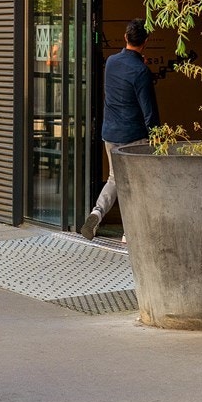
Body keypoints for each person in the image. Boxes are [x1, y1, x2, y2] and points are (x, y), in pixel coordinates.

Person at [82, 19, 160, 240]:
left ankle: (97, 212)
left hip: (110, 133)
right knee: (138, 184)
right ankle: (130, 232)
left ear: (126, 37)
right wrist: (156, 136)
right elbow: (149, 110)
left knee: (115, 179)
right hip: (133, 136)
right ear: (146, 41)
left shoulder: (112, 63)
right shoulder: (141, 71)